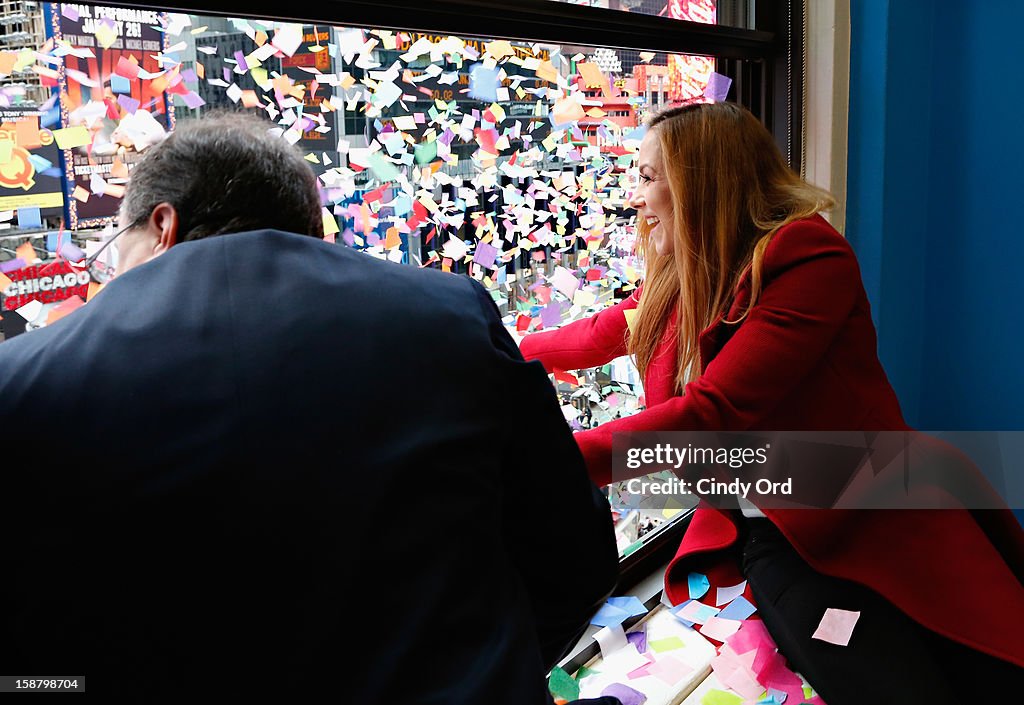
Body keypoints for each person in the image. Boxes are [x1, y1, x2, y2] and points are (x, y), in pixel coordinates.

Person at [0, 113, 621, 703]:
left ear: (162, 225)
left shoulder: (22, 379)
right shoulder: (450, 312)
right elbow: (572, 551)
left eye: (115, 247)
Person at [520, 102, 1024, 700]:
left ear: (703, 182)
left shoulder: (810, 257)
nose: (635, 197)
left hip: (883, 510)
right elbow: (600, 333)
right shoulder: (682, 280)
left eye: (650, 177)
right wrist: (487, 346)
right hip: (777, 531)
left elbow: (713, 415)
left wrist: (539, 464)